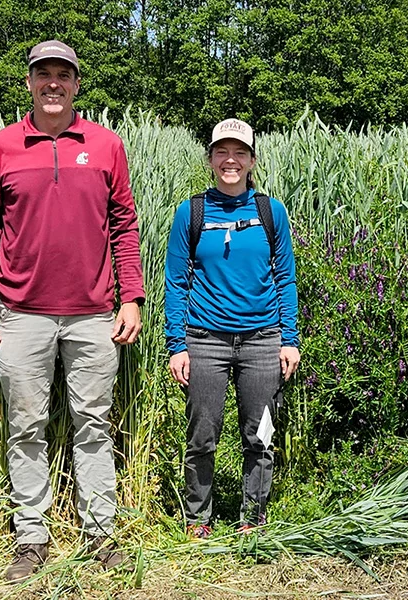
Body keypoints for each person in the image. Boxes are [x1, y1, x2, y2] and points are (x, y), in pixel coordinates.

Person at [0, 39, 145, 581]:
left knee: (94, 424)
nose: (52, 83)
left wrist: (132, 297)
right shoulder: (2, 148)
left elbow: (123, 226)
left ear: (75, 84)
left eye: (62, 75)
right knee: (26, 426)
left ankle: (99, 534)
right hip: (21, 314)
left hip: (94, 314)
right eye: (42, 74)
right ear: (28, 82)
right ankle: (31, 537)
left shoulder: (105, 145)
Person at [163, 118, 300, 539]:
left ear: (252, 160)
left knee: (260, 436)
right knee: (202, 436)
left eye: (239, 152)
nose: (230, 160)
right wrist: (177, 344)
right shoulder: (192, 212)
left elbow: (285, 277)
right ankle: (197, 519)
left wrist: (290, 339)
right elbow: (176, 280)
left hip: (262, 341)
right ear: (210, 159)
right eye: (222, 151)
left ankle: (252, 519)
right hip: (205, 342)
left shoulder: (269, 211)